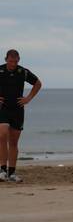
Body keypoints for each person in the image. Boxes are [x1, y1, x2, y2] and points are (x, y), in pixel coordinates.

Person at [0, 49, 41, 182]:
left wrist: (28, 98)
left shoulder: (22, 72)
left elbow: (38, 83)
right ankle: (2, 170)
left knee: (13, 142)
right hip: (2, 108)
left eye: (16, 62)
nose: (13, 64)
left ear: (19, 60)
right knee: (2, 134)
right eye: (11, 61)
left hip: (17, 109)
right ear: (6, 59)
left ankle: (11, 173)